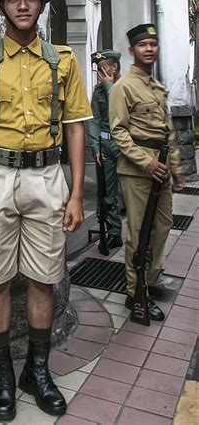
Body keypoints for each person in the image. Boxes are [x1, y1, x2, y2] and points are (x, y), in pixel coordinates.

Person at [0, 0, 92, 420]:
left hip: (47, 175)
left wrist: (75, 194)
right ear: (0, 6)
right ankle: (1, 377)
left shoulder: (63, 60)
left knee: (43, 277)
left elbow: (76, 127)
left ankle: (37, 369)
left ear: (41, 5)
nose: (22, 6)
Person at [109, 23, 185, 321]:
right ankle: (136, 292)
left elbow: (168, 134)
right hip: (137, 171)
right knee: (138, 234)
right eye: (143, 45)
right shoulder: (123, 87)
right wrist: (145, 162)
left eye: (153, 44)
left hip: (162, 168)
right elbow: (118, 132)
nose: (149, 49)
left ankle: (149, 282)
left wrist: (176, 170)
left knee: (162, 229)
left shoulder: (157, 88)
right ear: (132, 51)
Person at [87, 50, 123, 249]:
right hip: (106, 146)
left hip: (125, 147)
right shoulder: (98, 92)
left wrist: (110, 88)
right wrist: (95, 146)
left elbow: (123, 112)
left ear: (114, 67)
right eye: (97, 70)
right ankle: (115, 232)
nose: (99, 73)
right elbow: (95, 120)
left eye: (102, 69)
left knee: (130, 191)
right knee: (108, 194)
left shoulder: (126, 87)